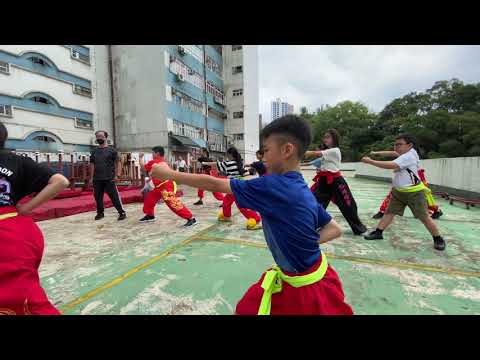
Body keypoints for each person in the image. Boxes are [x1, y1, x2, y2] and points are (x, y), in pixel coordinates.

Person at [150, 115, 353, 315]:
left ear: (287, 150)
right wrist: (304, 244)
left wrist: (169, 174)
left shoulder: (274, 186)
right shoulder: (303, 190)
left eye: (266, 151)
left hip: (304, 290)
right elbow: (334, 229)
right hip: (316, 274)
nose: (263, 157)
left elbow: (215, 184)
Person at [0, 121, 70, 315]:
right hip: (17, 229)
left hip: (7, 237)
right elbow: (60, 181)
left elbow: (61, 181)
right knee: (24, 296)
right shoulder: (16, 160)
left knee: (14, 297)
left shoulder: (16, 160)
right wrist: (26, 209)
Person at [361, 134, 446, 251]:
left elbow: (392, 165)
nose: (396, 147)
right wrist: (377, 153)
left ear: (410, 145)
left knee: (424, 217)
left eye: (399, 144)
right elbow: (392, 153)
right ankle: (378, 232)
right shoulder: (408, 153)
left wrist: (371, 161)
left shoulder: (408, 157)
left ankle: (438, 239)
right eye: (395, 144)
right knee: (389, 212)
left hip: (414, 193)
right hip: (399, 191)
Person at [305, 129, 367, 235]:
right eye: (324, 137)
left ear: (334, 138)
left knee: (348, 205)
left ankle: (359, 229)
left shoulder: (335, 151)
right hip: (323, 182)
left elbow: (314, 153)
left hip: (336, 182)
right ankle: (312, 226)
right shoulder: (326, 153)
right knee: (315, 204)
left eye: (328, 137)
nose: (325, 139)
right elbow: (318, 162)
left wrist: (298, 150)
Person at [369, 150, 443, 220]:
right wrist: (376, 153)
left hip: (415, 176)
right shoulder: (406, 152)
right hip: (408, 177)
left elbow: (393, 155)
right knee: (394, 193)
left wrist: (373, 157)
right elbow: (393, 153)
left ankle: (435, 210)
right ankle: (382, 211)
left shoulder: (411, 153)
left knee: (424, 195)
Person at [201, 147, 262, 230]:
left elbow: (216, 164)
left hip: (234, 186)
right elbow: (244, 173)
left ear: (230, 154)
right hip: (236, 185)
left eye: (227, 154)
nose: (226, 156)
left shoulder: (229, 163)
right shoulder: (239, 162)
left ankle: (255, 218)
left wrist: (205, 163)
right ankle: (226, 216)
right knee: (226, 201)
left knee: (240, 205)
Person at [138, 146, 197, 227]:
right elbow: (157, 172)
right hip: (160, 186)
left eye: (153, 153)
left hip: (166, 186)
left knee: (173, 203)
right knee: (150, 198)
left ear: (157, 153)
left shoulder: (154, 162)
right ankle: (150, 215)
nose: (152, 154)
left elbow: (143, 168)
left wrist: (140, 158)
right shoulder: (163, 162)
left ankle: (191, 219)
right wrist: (151, 179)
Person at [89, 130, 126, 221]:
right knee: (97, 197)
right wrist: (91, 177)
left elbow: (119, 162)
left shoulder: (112, 150)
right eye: (97, 137)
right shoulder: (94, 151)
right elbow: (92, 164)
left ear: (106, 137)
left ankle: (121, 212)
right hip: (97, 179)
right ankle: (100, 213)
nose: (99, 138)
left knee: (114, 196)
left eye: (101, 136)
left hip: (109, 178)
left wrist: (117, 175)